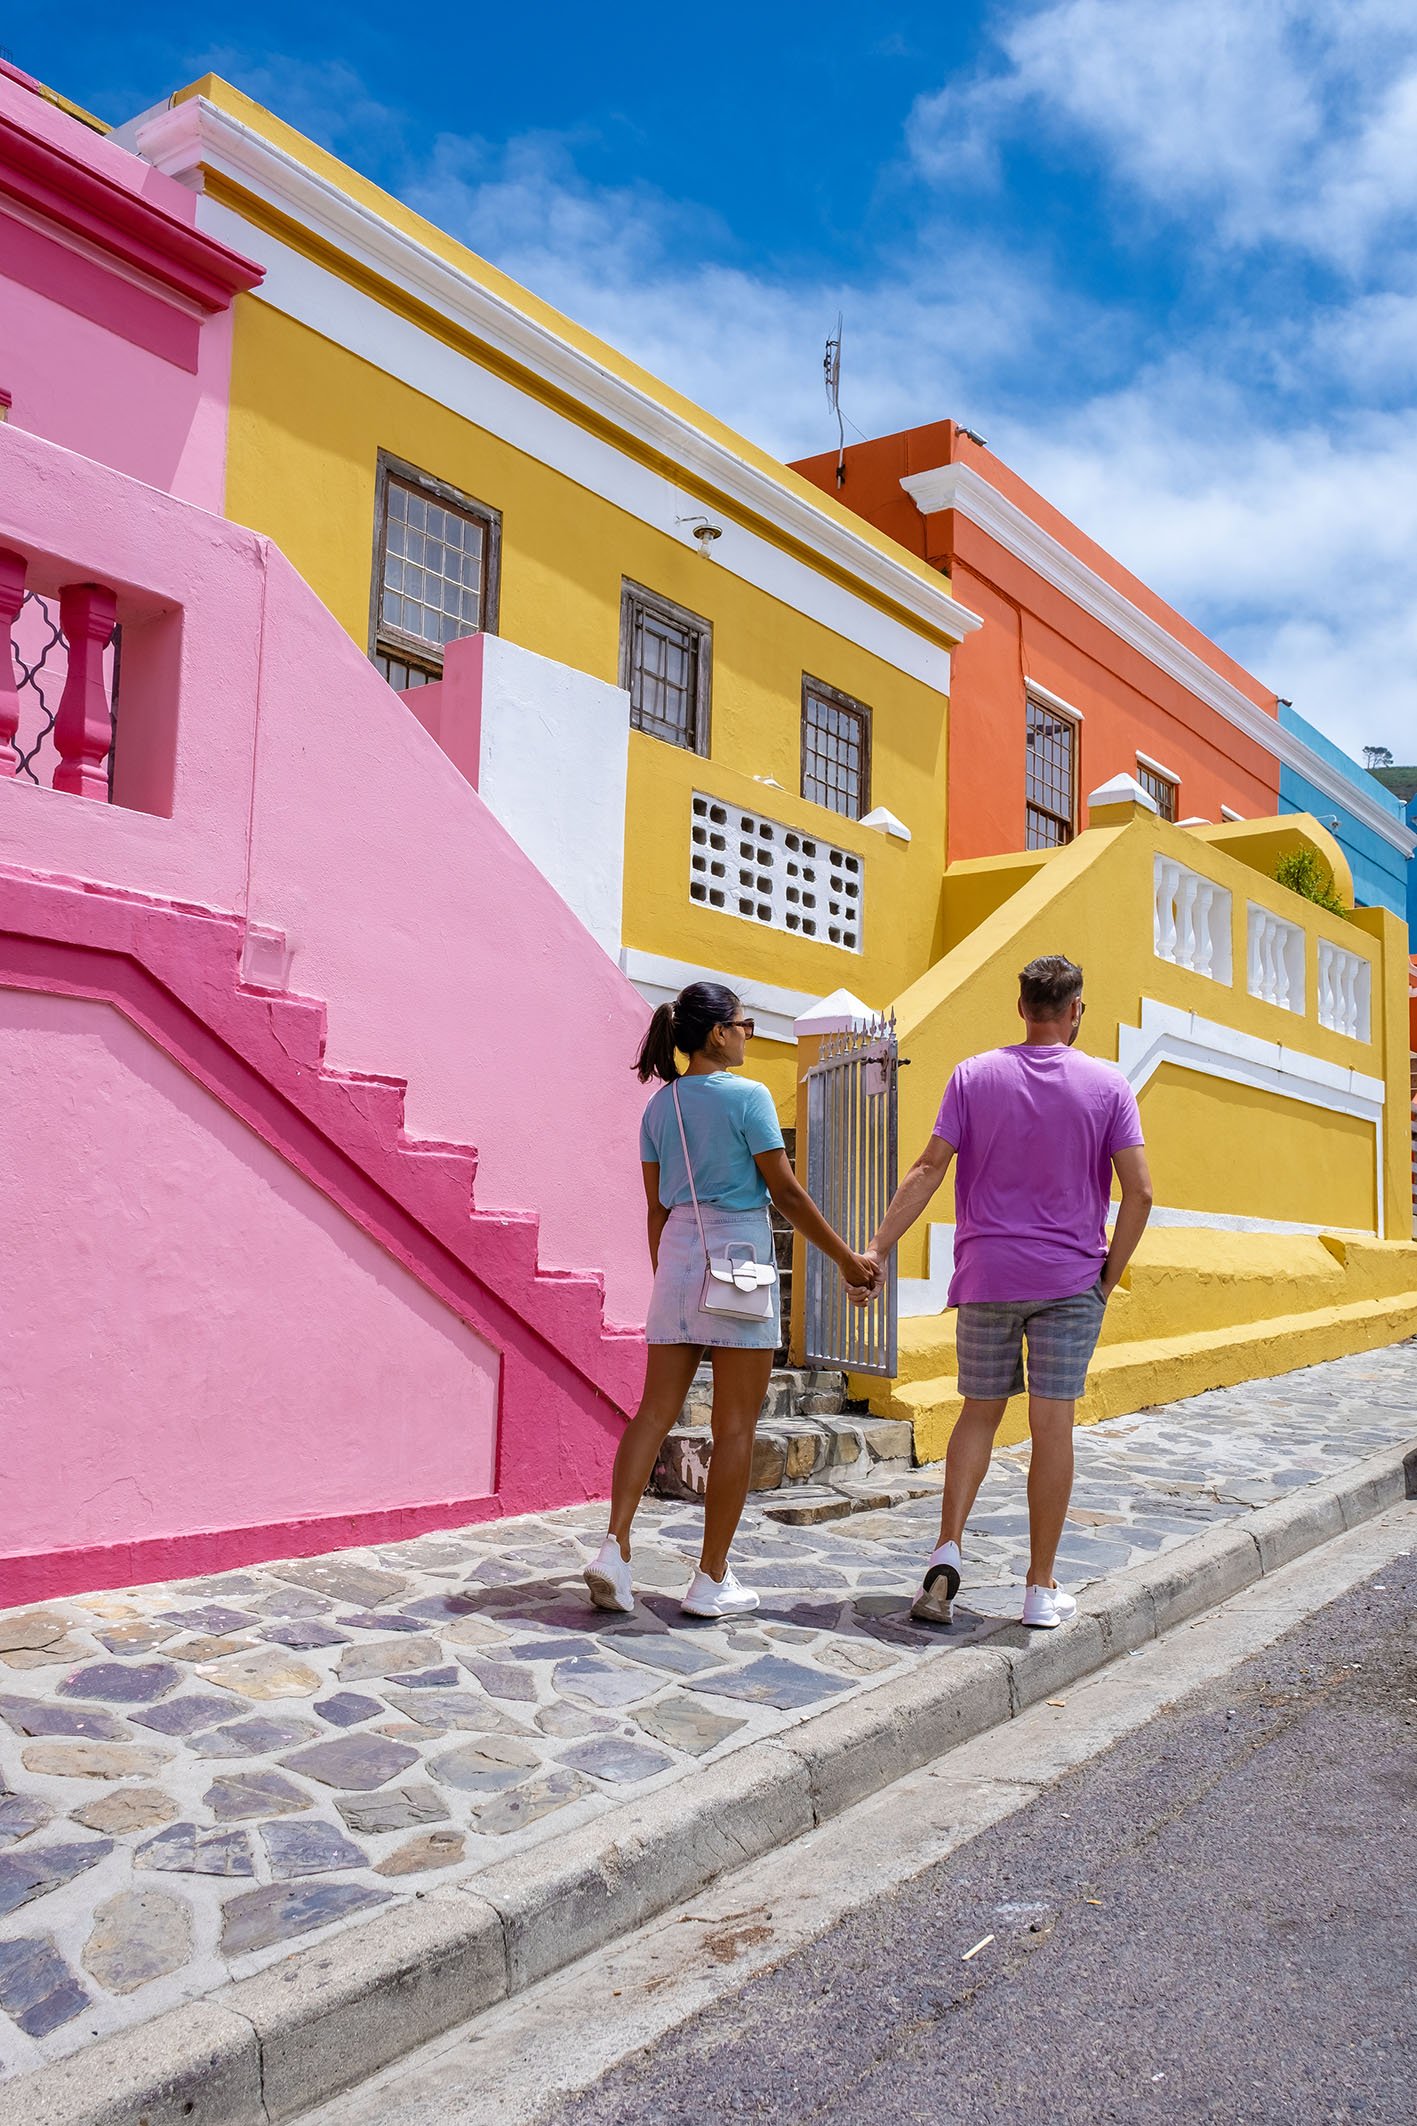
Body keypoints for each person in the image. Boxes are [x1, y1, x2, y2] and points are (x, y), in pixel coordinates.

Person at [854, 955, 1153, 1630]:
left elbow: (928, 1168)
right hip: (1069, 1279)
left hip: (986, 1273)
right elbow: (1140, 1191)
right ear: (1075, 1010)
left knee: (976, 1414)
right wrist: (1107, 1277)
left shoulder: (973, 1074)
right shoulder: (1107, 1084)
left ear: (1021, 1007)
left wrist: (876, 1248)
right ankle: (1038, 1587)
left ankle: (946, 1548)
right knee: (1052, 1429)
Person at [584, 981, 877, 1620]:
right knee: (735, 1424)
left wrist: (670, 1278)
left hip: (680, 1252)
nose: (749, 1033)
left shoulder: (659, 1109)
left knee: (654, 1410)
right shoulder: (749, 1097)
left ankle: (615, 1547)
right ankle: (710, 1578)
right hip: (739, 1256)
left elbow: (655, 1208)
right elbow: (789, 1195)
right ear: (719, 1033)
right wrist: (848, 1259)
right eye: (744, 1023)